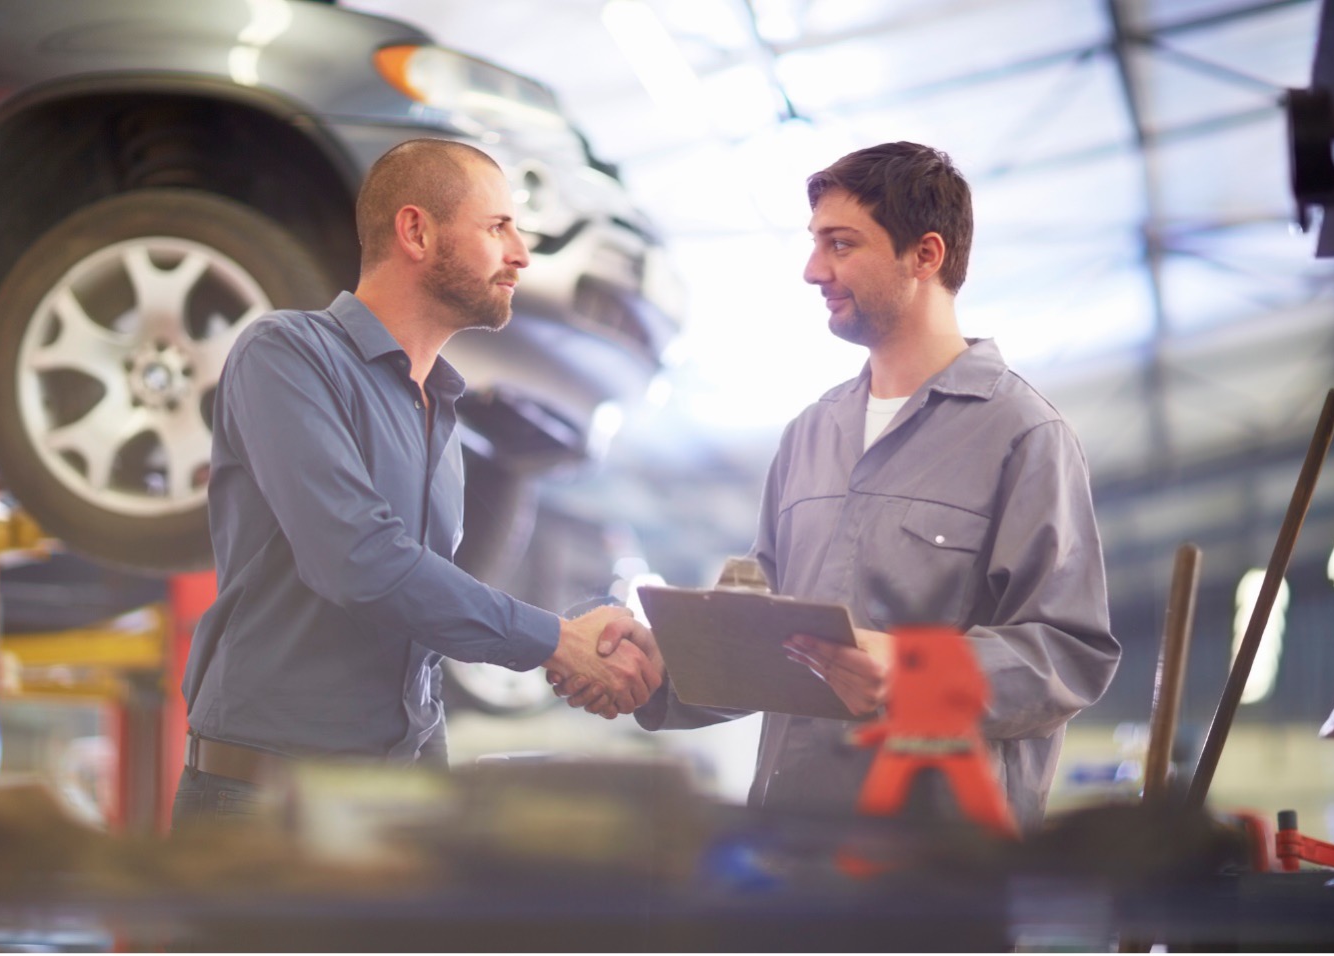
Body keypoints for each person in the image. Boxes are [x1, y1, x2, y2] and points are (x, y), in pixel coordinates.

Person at [556, 142, 1120, 832]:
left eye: (841, 245)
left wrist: (917, 672)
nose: (812, 270)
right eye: (815, 244)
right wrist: (652, 664)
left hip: (937, 868)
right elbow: (765, 644)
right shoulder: (810, 433)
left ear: (926, 255)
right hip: (790, 849)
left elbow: (1069, 654)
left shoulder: (1023, 436)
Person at [174, 139, 661, 827]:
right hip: (262, 811)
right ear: (416, 231)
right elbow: (358, 561)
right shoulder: (287, 354)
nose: (520, 254)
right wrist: (557, 640)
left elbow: (418, 628)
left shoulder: (440, 413)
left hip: (388, 806)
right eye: (498, 228)